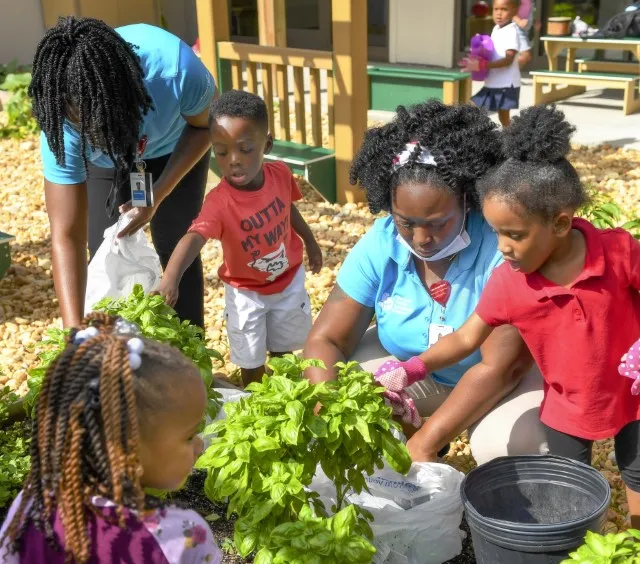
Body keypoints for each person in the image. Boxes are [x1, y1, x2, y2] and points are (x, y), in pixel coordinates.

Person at [383, 105, 640, 526]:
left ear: (560, 223)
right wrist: (411, 369)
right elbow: (466, 338)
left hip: (633, 394)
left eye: (515, 235)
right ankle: (576, 548)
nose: (502, 247)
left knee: (637, 473)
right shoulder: (510, 283)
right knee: (568, 484)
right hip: (566, 407)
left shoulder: (615, 253)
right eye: (497, 231)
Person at [304, 100, 547, 464]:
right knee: (334, 386)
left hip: (502, 381)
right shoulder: (382, 242)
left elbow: (502, 367)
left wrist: (423, 446)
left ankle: (446, 434)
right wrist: (330, 409)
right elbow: (327, 338)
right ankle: (413, 428)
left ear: (468, 200)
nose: (420, 238)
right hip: (416, 370)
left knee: (507, 448)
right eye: (406, 222)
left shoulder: (503, 247)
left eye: (437, 223)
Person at [0, 314, 238, 564]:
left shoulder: (32, 507)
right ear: (128, 451)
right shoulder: (182, 534)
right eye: (189, 437)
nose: (200, 446)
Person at [29, 17, 217, 330]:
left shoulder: (176, 70)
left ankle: (190, 359)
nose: (91, 136)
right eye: (82, 127)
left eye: (100, 125)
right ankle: (116, 355)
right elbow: (66, 235)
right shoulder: (61, 122)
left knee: (176, 245)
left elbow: (205, 125)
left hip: (174, 147)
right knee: (104, 247)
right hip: (105, 167)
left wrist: (157, 194)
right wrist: (73, 332)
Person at [156, 91, 323, 387]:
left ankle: (283, 389)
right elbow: (194, 237)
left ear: (267, 144)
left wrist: (309, 241)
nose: (233, 160)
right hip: (246, 292)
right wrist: (171, 277)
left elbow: (288, 209)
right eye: (221, 152)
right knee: (250, 355)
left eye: (245, 149)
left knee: (285, 346)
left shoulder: (281, 174)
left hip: (288, 280)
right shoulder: (219, 202)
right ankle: (254, 393)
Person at [470, 0, 521, 127]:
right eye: (495, 9)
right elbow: (492, 51)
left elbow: (508, 60)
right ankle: (508, 139)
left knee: (503, 117)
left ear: (514, 11)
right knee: (474, 108)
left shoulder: (512, 32)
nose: (499, 13)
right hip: (494, 81)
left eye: (504, 9)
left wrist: (485, 65)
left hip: (506, 84)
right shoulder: (496, 29)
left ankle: (511, 141)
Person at [513, 0, 539, 68]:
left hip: (525, 31)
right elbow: (511, 12)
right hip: (517, 29)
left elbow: (529, 11)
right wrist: (519, 21)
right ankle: (507, 71)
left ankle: (511, 73)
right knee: (525, 55)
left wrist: (534, 22)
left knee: (523, 56)